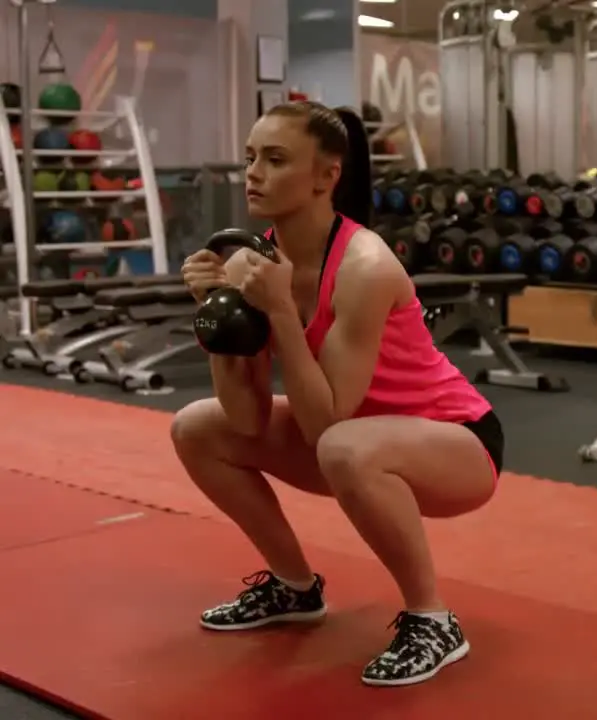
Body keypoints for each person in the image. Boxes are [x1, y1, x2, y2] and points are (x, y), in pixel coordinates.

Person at [172, 101, 504, 687]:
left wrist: (279, 311)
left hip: (457, 442)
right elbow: (246, 420)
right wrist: (216, 316)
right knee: (196, 427)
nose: (253, 173)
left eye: (275, 160)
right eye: (250, 158)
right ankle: (293, 587)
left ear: (328, 176)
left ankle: (433, 618)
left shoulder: (365, 266)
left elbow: (329, 428)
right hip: (350, 437)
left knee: (345, 446)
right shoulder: (252, 261)